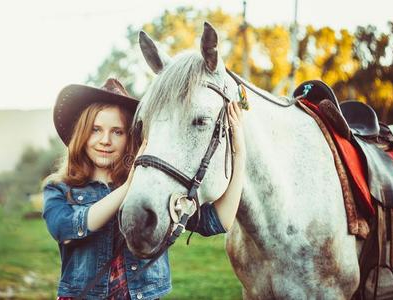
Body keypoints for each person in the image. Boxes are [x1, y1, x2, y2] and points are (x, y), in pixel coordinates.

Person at [42, 78, 246, 300]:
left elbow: (219, 220)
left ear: (130, 138)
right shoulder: (59, 188)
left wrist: (239, 150)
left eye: (117, 132)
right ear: (82, 134)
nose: (105, 140)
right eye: (96, 130)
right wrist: (128, 187)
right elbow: (65, 229)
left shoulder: (151, 189)